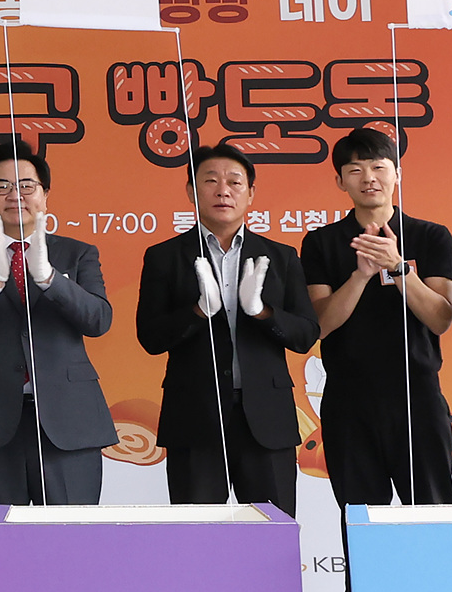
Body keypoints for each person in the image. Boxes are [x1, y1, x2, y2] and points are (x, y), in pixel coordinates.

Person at [300, 126, 452, 592]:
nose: (369, 177)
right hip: (350, 403)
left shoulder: (431, 236)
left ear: (397, 174)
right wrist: (362, 274)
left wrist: (398, 269)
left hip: (418, 399)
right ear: (340, 180)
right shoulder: (322, 243)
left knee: (431, 524)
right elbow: (320, 326)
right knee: (361, 531)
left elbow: (441, 318)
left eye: (379, 167)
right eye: (356, 169)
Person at [0, 144, 116, 517]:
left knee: (70, 536)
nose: (15, 196)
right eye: (1, 186)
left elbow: (98, 320)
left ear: (45, 194)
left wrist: (49, 278)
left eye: (26, 186)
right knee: (2, 537)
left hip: (68, 420)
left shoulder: (78, 253)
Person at [136, 143, 319, 515]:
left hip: (266, 419)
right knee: (197, 536)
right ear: (192, 191)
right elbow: (151, 337)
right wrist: (198, 311)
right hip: (194, 417)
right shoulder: (164, 256)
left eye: (235, 182)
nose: (223, 190)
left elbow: (305, 335)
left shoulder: (281, 256)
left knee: (272, 531)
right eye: (211, 181)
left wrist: (262, 312)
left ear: (250, 194)